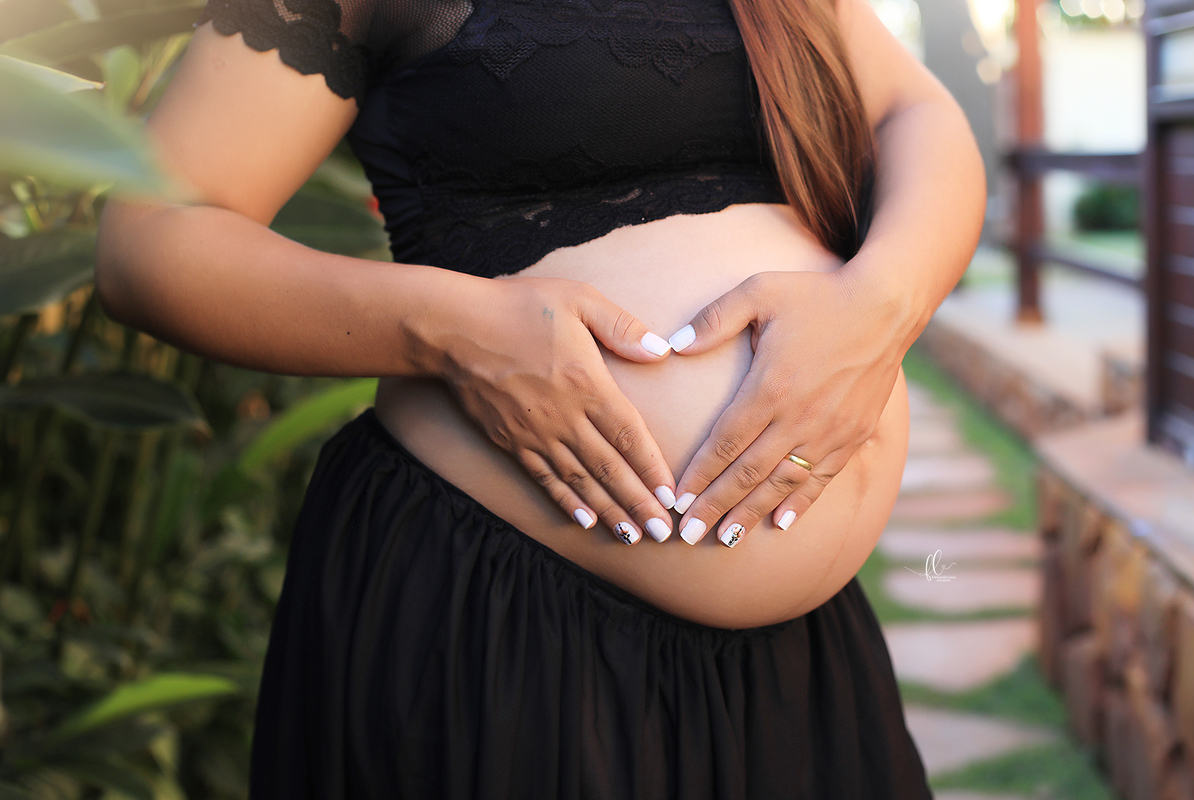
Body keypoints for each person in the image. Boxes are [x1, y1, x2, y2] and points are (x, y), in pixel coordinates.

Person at [95, 0, 985, 794]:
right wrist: (449, 328)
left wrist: (883, 304)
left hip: (796, 669)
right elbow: (153, 245)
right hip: (501, 626)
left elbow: (915, 113)